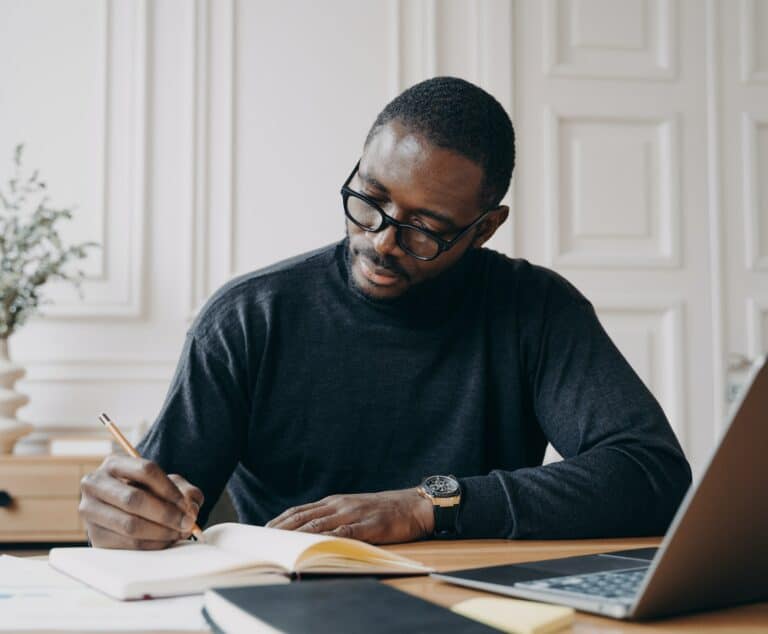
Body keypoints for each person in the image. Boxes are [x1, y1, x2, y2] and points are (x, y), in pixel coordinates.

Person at [79, 77, 691, 550]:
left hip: (478, 607)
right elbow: (155, 508)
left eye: (426, 229)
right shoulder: (248, 318)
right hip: (288, 610)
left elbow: (652, 474)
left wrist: (427, 507)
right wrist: (125, 518)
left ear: (484, 230)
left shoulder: (535, 311)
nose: (382, 241)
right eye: (368, 201)